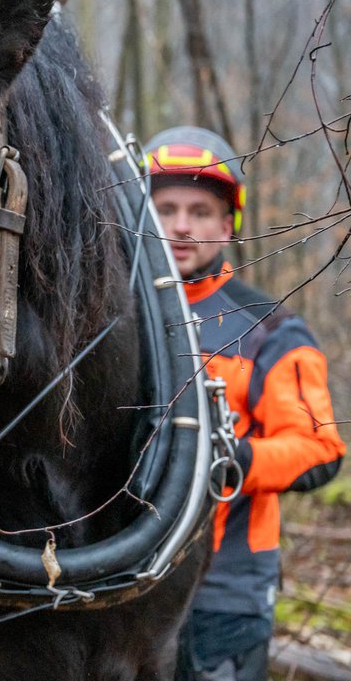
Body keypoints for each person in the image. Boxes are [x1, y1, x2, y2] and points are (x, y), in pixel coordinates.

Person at [146, 126, 346, 681]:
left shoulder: (269, 328)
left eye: (200, 211)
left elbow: (319, 450)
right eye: (165, 209)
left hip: (223, 592)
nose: (182, 226)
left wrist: (229, 458)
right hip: (117, 585)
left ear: (229, 222)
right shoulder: (106, 324)